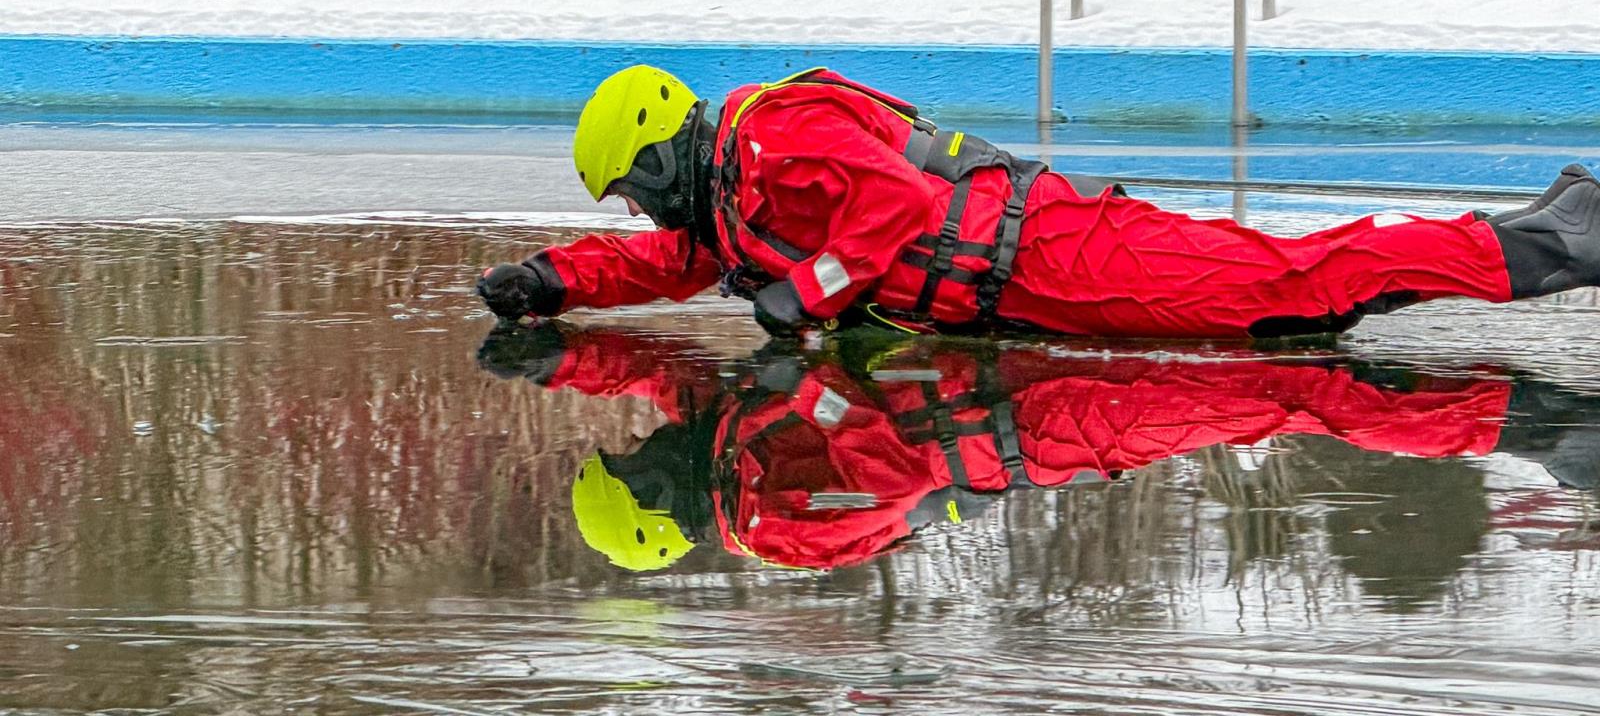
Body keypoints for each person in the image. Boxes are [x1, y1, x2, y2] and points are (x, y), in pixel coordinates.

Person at [476, 64, 1600, 339]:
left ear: (658, 151)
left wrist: (808, 293)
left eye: (632, 190)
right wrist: (549, 281)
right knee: (1292, 305)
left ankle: (1554, 240)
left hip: (1062, 249)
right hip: (1027, 291)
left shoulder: (782, 134)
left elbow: (893, 210)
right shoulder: (726, 204)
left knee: (1292, 282)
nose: (640, 215)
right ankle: (1541, 224)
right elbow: (662, 265)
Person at [477, 320, 1600, 572]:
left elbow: (661, 372)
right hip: (1034, 434)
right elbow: (895, 473)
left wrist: (560, 351)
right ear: (659, 507)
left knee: (1279, 378)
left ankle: (1518, 412)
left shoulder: (719, 455)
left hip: (1001, 391)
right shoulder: (771, 521)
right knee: (1281, 401)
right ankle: (1528, 425)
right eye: (634, 466)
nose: (645, 444)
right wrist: (809, 397)